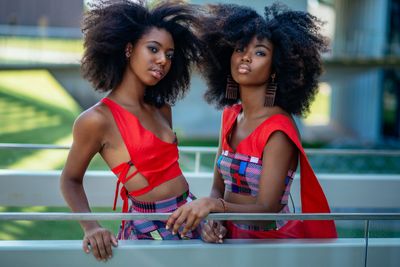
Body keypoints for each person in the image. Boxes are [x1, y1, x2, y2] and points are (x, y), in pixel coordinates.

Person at [166, 3, 337, 242]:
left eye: (260, 52)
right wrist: (214, 222)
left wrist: (215, 206)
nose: (246, 56)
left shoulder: (278, 130)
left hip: (267, 244)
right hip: (229, 239)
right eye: (240, 48)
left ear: (276, 68)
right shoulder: (231, 116)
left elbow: (267, 209)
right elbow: (219, 187)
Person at [60, 0, 204, 261]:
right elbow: (70, 180)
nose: (163, 60)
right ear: (128, 49)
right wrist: (91, 227)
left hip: (189, 217)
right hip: (149, 230)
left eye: (169, 55)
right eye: (153, 49)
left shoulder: (162, 109)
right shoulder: (96, 120)